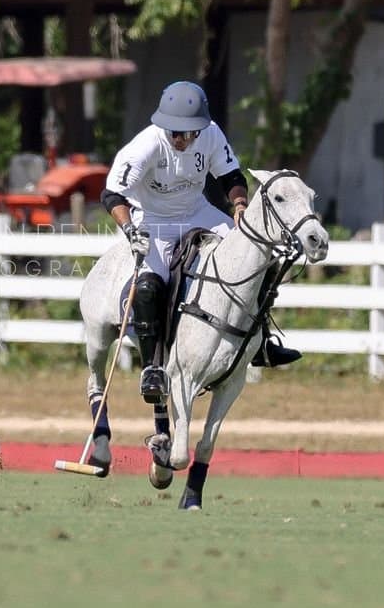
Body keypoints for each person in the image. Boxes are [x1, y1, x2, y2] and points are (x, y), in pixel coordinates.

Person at [101, 80, 300, 404]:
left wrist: (238, 206)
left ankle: (262, 342)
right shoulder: (145, 146)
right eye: (173, 132)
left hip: (198, 211)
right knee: (150, 285)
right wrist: (131, 230)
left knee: (260, 257)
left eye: (187, 132)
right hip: (153, 220)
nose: (180, 138)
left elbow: (231, 177)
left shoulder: (210, 135)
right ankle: (152, 367)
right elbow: (112, 194)